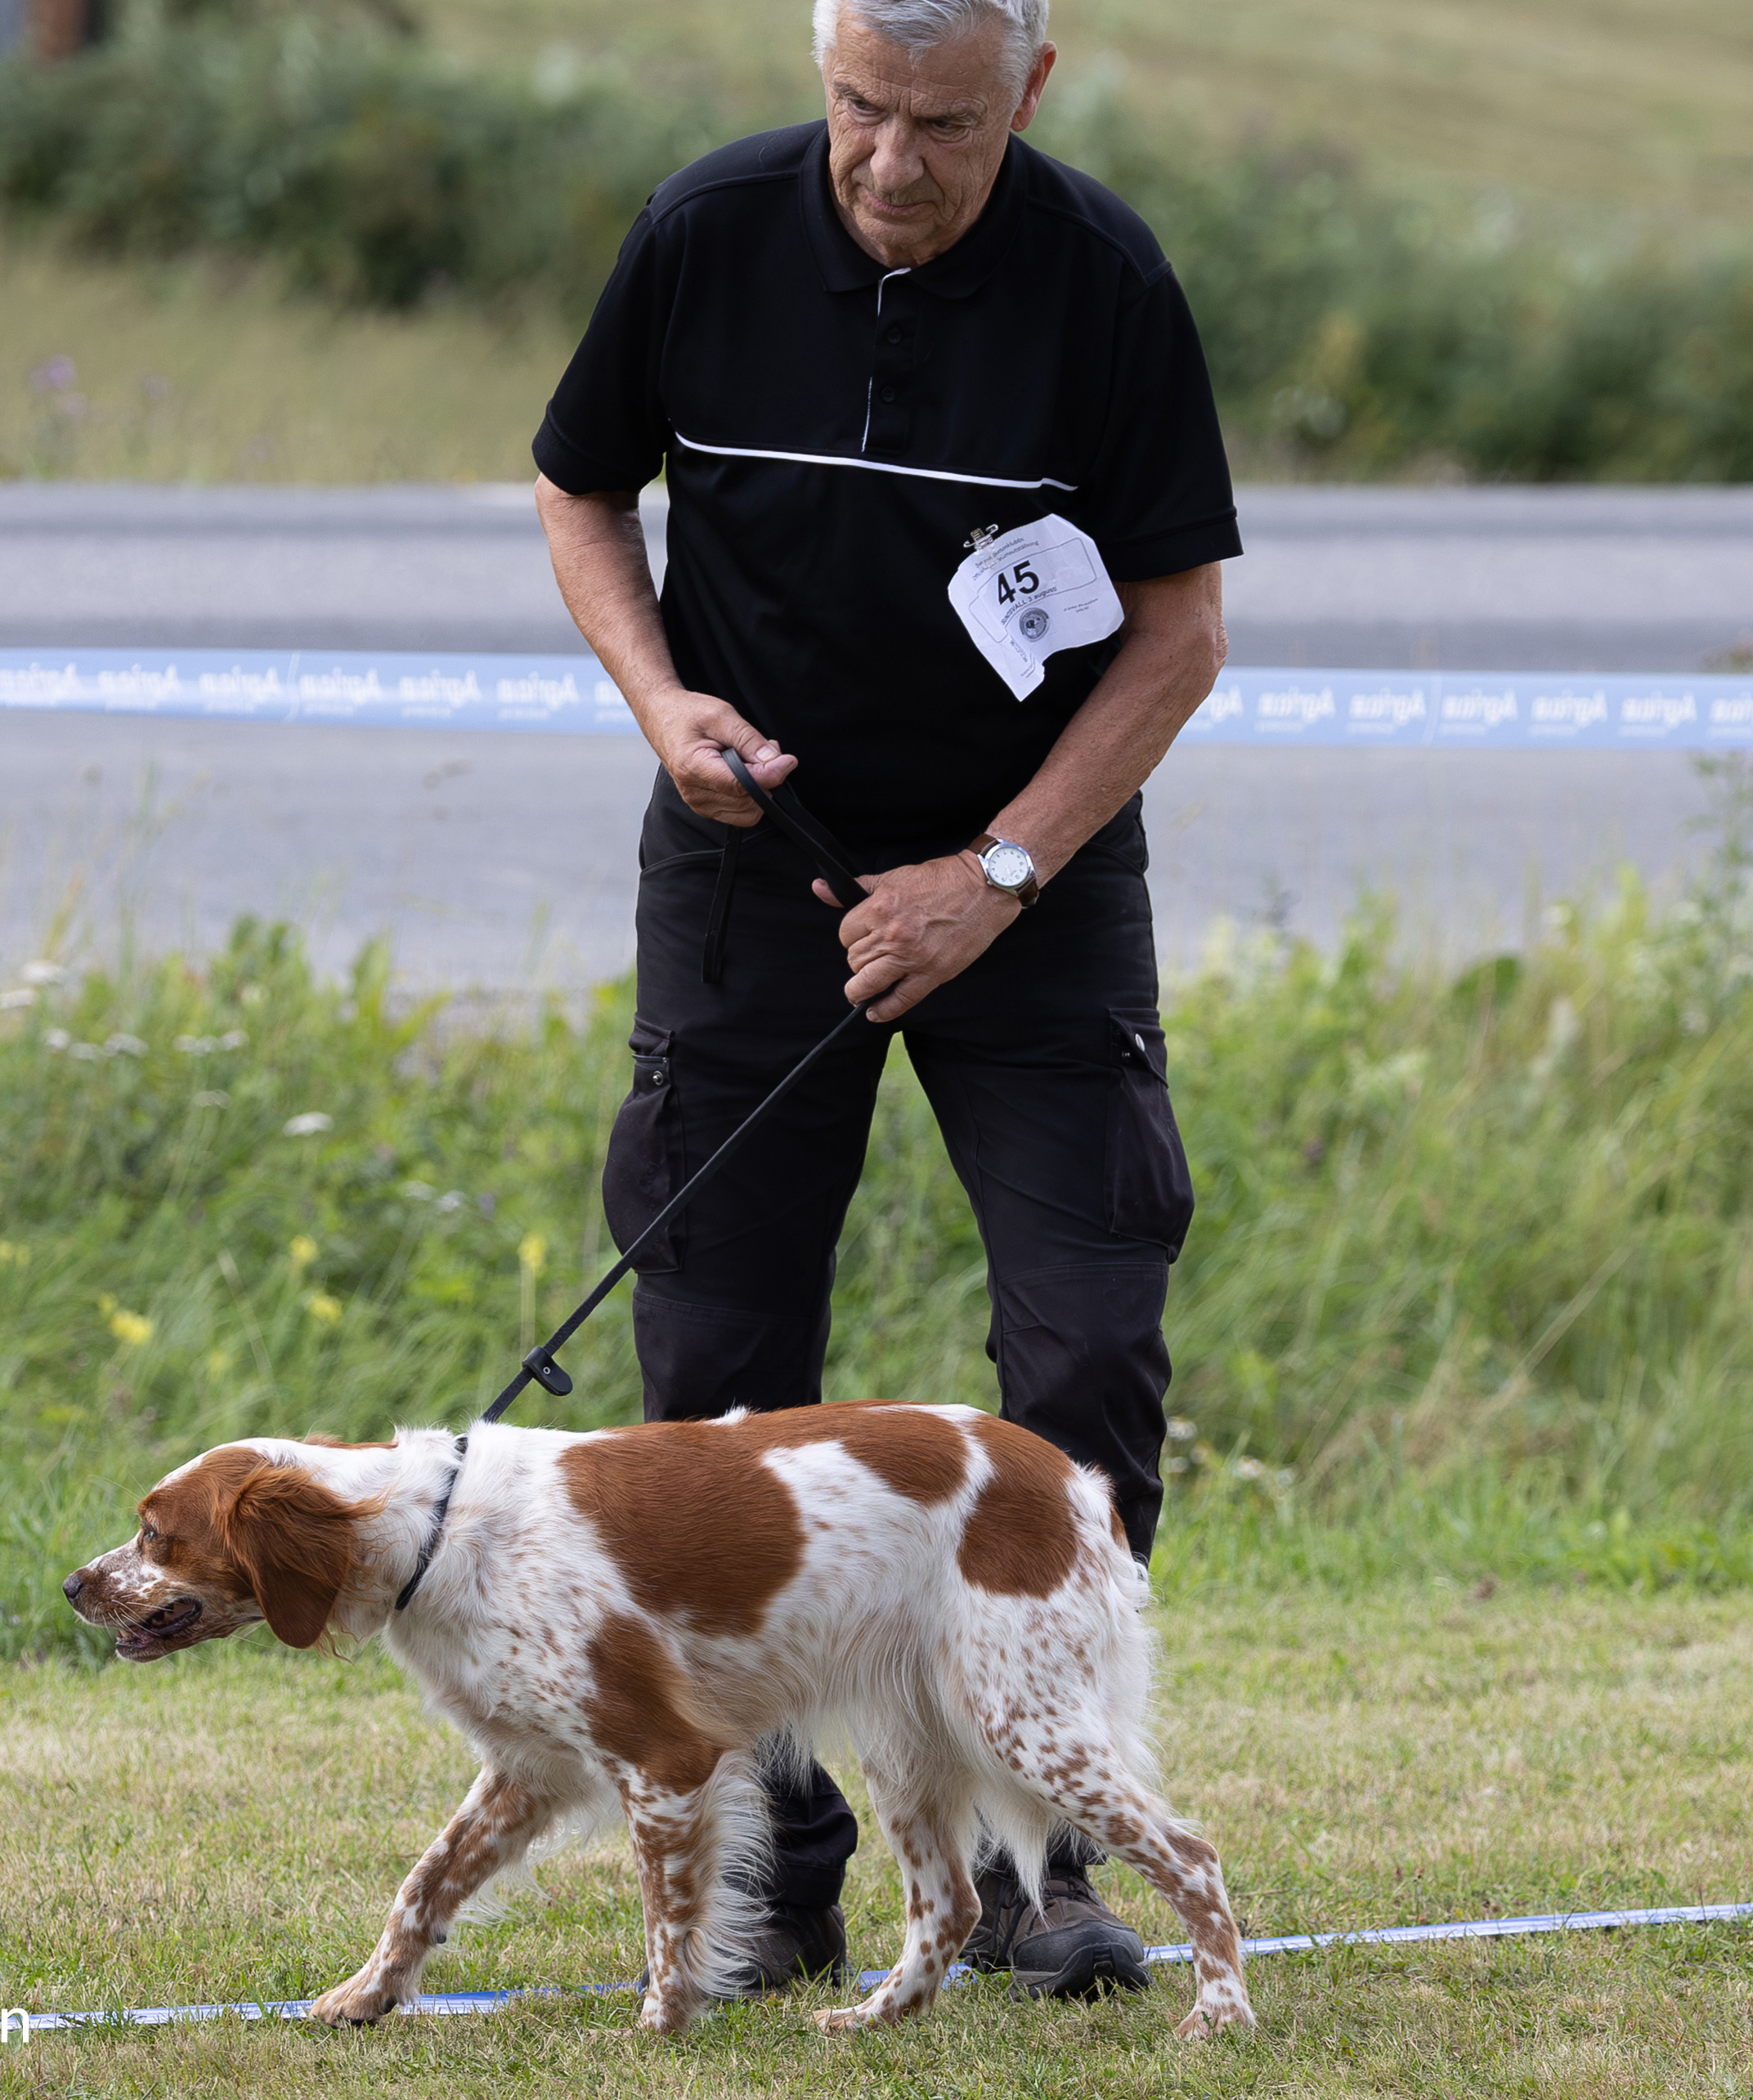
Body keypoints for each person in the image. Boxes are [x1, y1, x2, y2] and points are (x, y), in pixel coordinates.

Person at [531, 0, 1239, 2004]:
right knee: (713, 1377)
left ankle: (1042, 1864)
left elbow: (1177, 637)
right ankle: (783, 1865)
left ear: (1031, 85)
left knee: (1084, 1361)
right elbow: (580, 493)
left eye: (939, 121)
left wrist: (995, 875)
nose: (888, 162)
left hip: (1032, 869)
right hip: (757, 864)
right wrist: (662, 699)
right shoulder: (704, 228)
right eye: (856, 108)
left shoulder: (1102, 281)